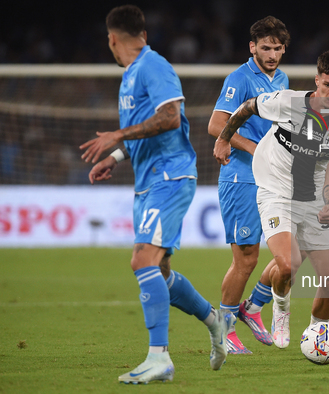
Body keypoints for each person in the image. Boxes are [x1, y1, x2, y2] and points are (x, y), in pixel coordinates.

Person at [79, 5, 234, 384]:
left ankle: (159, 358)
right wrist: (116, 156)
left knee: (141, 259)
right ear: (142, 34)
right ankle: (215, 322)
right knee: (160, 272)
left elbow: (169, 117)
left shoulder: (153, 66)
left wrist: (117, 136)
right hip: (146, 183)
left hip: (171, 176)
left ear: (113, 39)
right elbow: (147, 129)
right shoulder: (131, 76)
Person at [214, 50, 329, 348]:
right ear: (317, 80)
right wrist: (224, 137)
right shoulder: (287, 102)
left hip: (312, 197)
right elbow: (248, 106)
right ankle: (281, 308)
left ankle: (318, 333)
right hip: (274, 189)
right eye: (327, 84)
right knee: (289, 264)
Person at [207, 16, 290, 354]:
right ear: (252, 47)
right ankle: (224, 328)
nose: (271, 54)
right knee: (246, 258)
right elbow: (216, 125)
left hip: (274, 177)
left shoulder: (281, 78)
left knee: (291, 254)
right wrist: (254, 148)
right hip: (241, 177)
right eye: (265, 47)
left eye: (277, 48)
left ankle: (252, 307)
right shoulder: (239, 78)